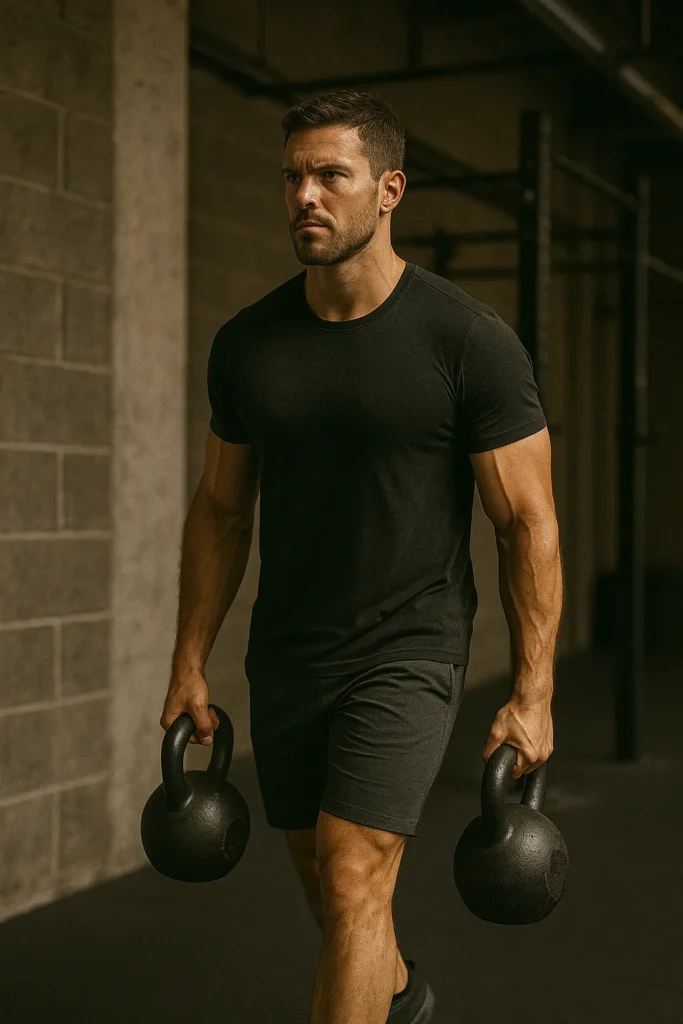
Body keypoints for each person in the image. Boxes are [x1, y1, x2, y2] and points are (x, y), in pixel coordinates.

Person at [160, 89, 563, 1024]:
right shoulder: (249, 345)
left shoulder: (466, 343)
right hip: (290, 652)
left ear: (388, 190)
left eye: (328, 175)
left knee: (352, 877)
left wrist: (533, 690)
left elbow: (527, 522)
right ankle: (403, 1002)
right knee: (326, 886)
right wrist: (187, 665)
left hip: (410, 648)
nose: (304, 194)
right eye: (293, 177)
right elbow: (220, 510)